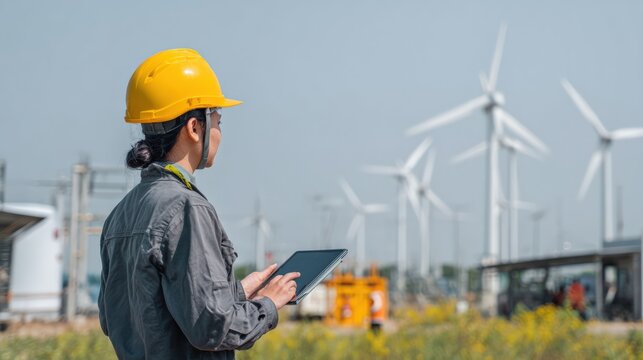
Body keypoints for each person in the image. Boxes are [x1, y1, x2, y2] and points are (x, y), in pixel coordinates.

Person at [98, 48, 300, 359]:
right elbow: (213, 328)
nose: (219, 132)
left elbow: (123, 317)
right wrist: (269, 305)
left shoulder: (120, 215)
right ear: (195, 127)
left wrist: (239, 292)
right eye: (217, 120)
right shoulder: (187, 209)